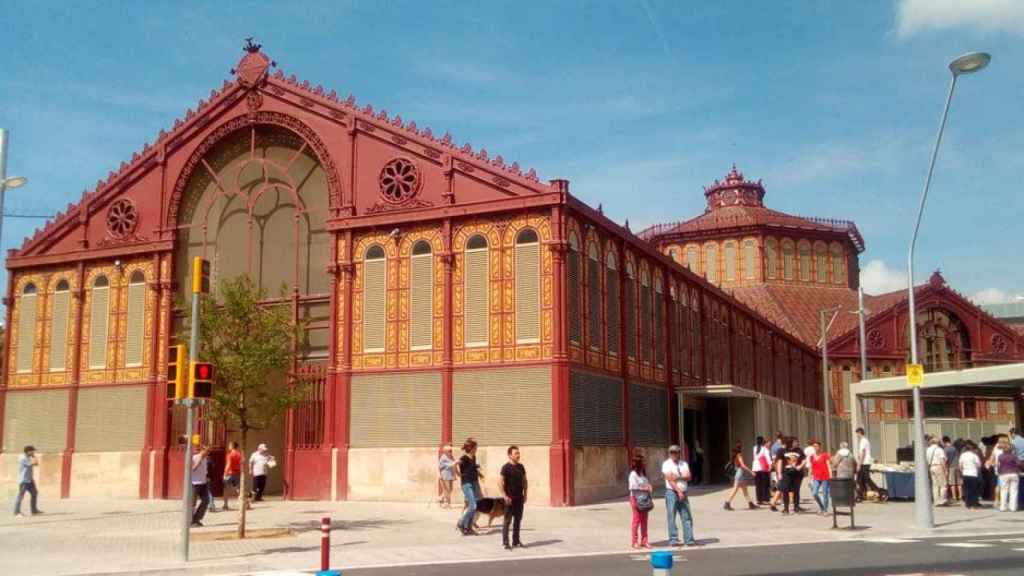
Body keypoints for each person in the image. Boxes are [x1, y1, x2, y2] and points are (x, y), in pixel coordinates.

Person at [663, 444, 697, 546]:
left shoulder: (684, 464)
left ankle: (689, 539)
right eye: (671, 452)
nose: (673, 454)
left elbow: (689, 476)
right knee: (671, 516)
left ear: (679, 453)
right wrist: (678, 491)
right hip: (671, 492)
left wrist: (678, 477)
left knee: (686, 516)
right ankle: (673, 539)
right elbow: (669, 479)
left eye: (675, 452)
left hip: (684, 491)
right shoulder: (666, 464)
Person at [499, 445, 527, 550]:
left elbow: (525, 481)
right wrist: (504, 496)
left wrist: (526, 494)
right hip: (509, 499)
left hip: (519, 497)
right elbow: (500, 482)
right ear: (510, 455)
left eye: (518, 453)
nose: (518, 455)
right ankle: (505, 542)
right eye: (516, 453)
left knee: (518, 520)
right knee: (507, 521)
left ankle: (516, 541)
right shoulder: (505, 467)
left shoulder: (521, 467)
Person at [628, 452, 653, 549]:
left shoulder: (643, 474)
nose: (645, 464)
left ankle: (644, 540)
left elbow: (646, 484)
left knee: (644, 521)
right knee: (636, 520)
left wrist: (649, 486)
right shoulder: (633, 474)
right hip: (636, 499)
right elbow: (632, 487)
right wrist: (645, 488)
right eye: (643, 462)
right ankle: (634, 541)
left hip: (645, 499)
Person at [456, 439, 480, 536]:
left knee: (474, 506)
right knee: (473, 505)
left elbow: (473, 468)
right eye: (476, 447)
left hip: (474, 482)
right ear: (472, 448)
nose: (477, 449)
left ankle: (468, 528)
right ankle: (461, 523)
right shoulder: (464, 458)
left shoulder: (473, 457)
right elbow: (455, 465)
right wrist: (458, 474)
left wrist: (479, 472)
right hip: (466, 484)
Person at [723, 441, 757, 511]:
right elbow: (742, 465)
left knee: (745, 490)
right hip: (740, 473)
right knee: (735, 489)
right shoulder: (739, 455)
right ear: (741, 448)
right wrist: (751, 472)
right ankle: (727, 503)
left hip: (739, 473)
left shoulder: (734, 455)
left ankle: (750, 503)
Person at [13, 445, 42, 517]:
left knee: (34, 493)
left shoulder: (28, 457)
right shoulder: (23, 458)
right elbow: (34, 463)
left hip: (30, 479)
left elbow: (36, 464)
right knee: (20, 496)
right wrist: (34, 457)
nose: (33, 452)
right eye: (32, 451)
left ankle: (34, 510)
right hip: (24, 480)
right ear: (28, 451)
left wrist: (33, 457)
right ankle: (16, 512)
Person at [855, 428, 881, 501]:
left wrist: (859, 464)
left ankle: (878, 491)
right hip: (865, 462)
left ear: (860, 433)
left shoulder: (863, 441)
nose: (857, 435)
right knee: (860, 480)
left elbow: (863, 453)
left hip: (864, 463)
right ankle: (863, 495)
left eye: (857, 434)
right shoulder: (865, 441)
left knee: (865, 479)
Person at [780, 438, 804, 514]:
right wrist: (779, 473)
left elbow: (804, 459)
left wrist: (800, 466)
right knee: (785, 490)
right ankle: (786, 508)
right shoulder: (783, 450)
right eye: (795, 442)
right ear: (790, 443)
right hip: (786, 473)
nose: (797, 443)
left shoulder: (799, 450)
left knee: (796, 490)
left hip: (797, 473)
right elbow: (779, 462)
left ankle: (796, 507)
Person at [191, 444, 212, 527]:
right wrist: (198, 461)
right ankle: (190, 521)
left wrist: (206, 477)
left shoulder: (206, 459)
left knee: (206, 500)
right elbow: (191, 469)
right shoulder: (195, 457)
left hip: (203, 483)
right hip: (194, 483)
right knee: (192, 503)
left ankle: (197, 518)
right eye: (207, 451)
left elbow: (205, 471)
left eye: (209, 451)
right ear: (202, 450)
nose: (208, 453)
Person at [809, 441, 832, 516]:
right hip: (816, 477)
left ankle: (825, 510)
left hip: (825, 476)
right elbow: (811, 467)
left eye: (817, 446)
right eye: (814, 446)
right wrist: (810, 478)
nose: (815, 448)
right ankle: (822, 507)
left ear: (820, 447)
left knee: (825, 494)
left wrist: (831, 476)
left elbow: (828, 466)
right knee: (814, 493)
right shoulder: (812, 457)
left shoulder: (825, 455)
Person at [926, 436, 949, 506]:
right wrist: (945, 469)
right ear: (938, 442)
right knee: (943, 484)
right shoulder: (939, 450)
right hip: (939, 466)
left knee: (935, 485)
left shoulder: (928, 449)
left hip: (931, 467)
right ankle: (942, 500)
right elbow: (942, 460)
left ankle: (936, 500)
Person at [996, 441, 1019, 512]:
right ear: (1011, 450)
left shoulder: (1000, 456)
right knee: (1014, 491)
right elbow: (1019, 463)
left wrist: (999, 472)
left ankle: (1003, 507)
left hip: (1003, 474)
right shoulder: (1014, 456)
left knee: (1003, 490)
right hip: (1014, 473)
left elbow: (999, 466)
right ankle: (1013, 507)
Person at [959, 441, 983, 509]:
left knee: (967, 489)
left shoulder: (962, 455)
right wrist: (978, 472)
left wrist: (962, 472)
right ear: (971, 449)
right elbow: (979, 465)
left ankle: (968, 503)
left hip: (965, 474)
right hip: (973, 474)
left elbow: (960, 465)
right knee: (974, 489)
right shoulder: (974, 455)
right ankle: (974, 504)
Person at [752, 436, 772, 505]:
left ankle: (758, 499)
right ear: (763, 441)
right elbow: (768, 458)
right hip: (763, 468)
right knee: (764, 484)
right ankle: (765, 499)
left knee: (758, 484)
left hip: (755, 467)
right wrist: (770, 466)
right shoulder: (764, 449)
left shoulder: (754, 448)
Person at [222, 441, 242, 511]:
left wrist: (225, 473)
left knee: (226, 489)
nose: (228, 446)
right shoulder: (239, 454)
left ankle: (225, 505)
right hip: (237, 473)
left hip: (230, 473)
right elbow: (241, 463)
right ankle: (244, 503)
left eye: (229, 445)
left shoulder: (230, 454)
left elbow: (228, 464)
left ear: (232, 446)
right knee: (239, 489)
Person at [943, 437, 961, 504]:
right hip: (957, 466)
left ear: (945, 442)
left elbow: (945, 459)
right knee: (959, 483)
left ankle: (954, 497)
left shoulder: (945, 449)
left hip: (951, 467)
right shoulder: (955, 448)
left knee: (952, 483)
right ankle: (960, 496)